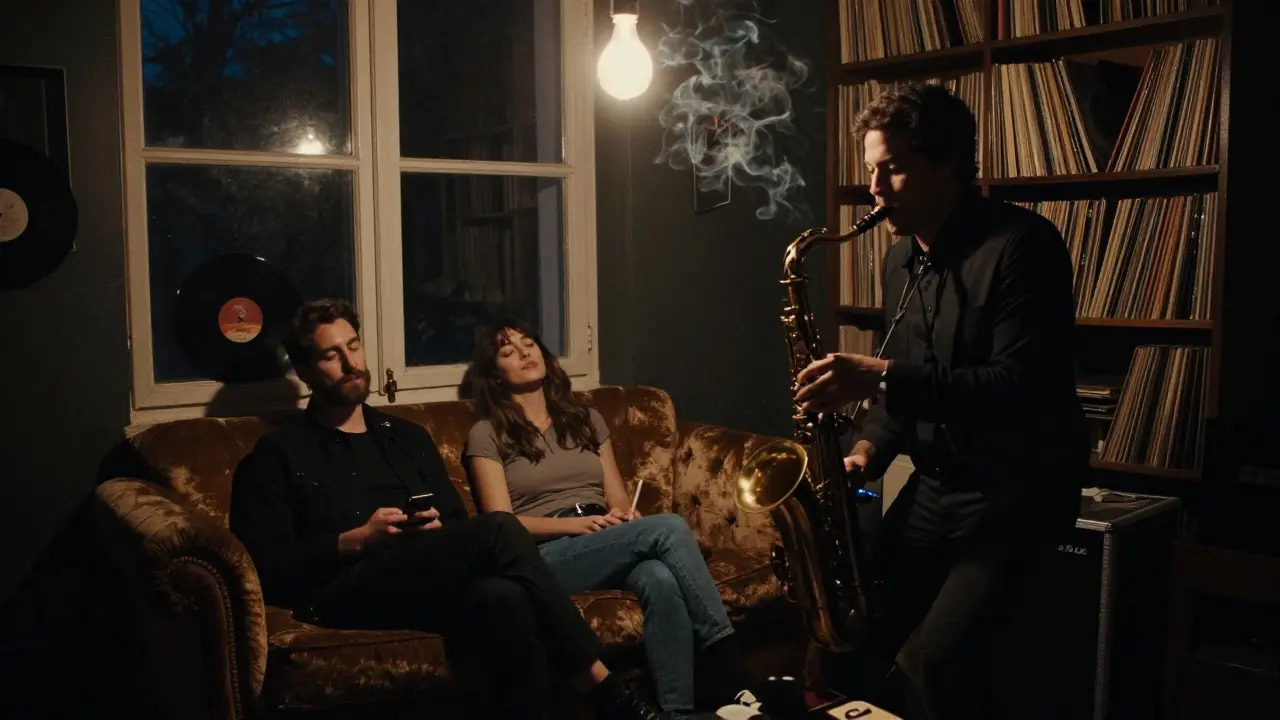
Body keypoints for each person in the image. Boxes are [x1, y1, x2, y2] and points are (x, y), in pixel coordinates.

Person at [792, 83, 1090, 719]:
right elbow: (899, 392)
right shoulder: (900, 259)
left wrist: (878, 375)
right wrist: (864, 452)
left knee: (943, 660)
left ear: (950, 163)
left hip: (1018, 494)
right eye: (871, 169)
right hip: (936, 487)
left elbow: (1016, 387)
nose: (875, 188)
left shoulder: (1024, 246)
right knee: (851, 639)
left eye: (893, 168)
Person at [228, 298, 668, 720]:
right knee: (499, 528)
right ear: (306, 371)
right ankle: (602, 686)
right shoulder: (278, 453)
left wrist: (434, 528)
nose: (350, 363)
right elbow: (266, 564)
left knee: (504, 596)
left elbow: (456, 523)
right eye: (331, 355)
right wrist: (354, 540)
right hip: (344, 589)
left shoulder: (406, 437)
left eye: (354, 346)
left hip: (420, 577)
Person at [462, 320, 768, 720]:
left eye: (528, 343)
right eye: (508, 351)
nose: (523, 352)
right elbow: (501, 526)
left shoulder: (586, 419)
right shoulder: (487, 433)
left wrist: (624, 517)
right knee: (670, 527)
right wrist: (574, 526)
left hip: (601, 536)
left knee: (659, 577)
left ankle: (676, 711)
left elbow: (617, 498)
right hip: (543, 556)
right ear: (495, 374)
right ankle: (729, 666)